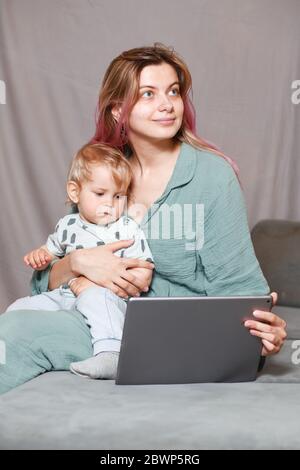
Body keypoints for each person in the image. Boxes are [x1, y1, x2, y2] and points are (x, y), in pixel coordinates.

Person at [0, 43, 287, 394]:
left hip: (175, 334)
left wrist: (261, 334)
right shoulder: (106, 170)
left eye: (173, 92)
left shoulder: (213, 176)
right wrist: (78, 262)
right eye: (148, 94)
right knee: (13, 327)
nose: (167, 105)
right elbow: (46, 279)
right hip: (97, 322)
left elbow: (241, 290)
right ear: (118, 109)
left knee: (16, 333)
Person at [5, 143, 154, 380]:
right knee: (17, 309)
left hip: (106, 296)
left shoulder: (126, 228)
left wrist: (108, 284)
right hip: (64, 296)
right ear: (75, 192)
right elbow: (51, 252)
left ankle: (111, 354)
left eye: (118, 196)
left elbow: (144, 272)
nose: (110, 204)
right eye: (100, 194)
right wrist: (40, 256)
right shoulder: (67, 225)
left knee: (97, 299)